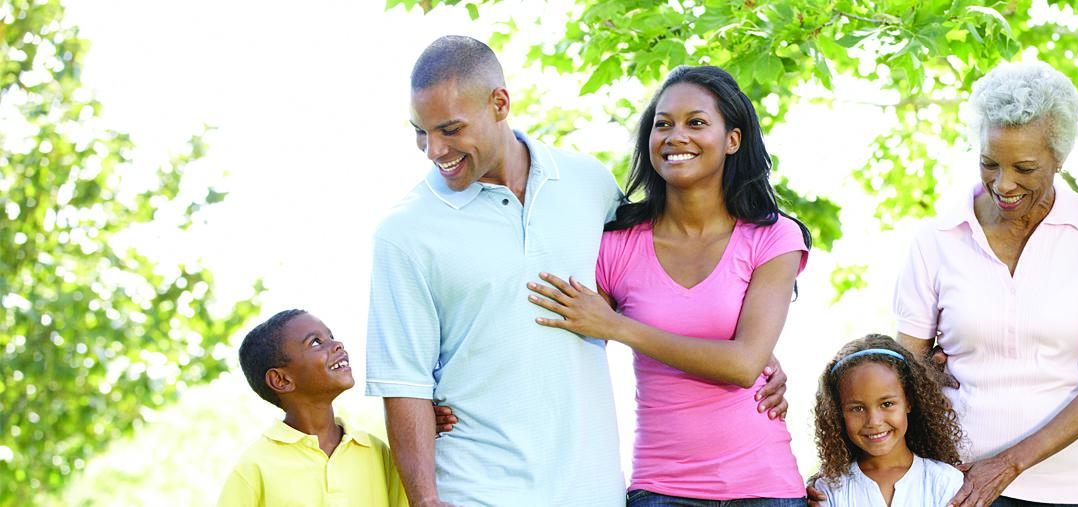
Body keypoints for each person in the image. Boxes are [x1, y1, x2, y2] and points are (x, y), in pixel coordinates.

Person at [368, 36, 788, 506]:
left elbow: (654, 281)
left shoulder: (587, 184)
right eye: (421, 131)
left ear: (500, 103)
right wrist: (424, 500)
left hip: (590, 489)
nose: (433, 150)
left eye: (449, 129)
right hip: (475, 488)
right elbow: (402, 382)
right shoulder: (406, 231)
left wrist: (754, 352)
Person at [527, 65, 810, 506]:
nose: (676, 136)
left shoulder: (772, 237)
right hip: (661, 489)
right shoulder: (617, 244)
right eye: (663, 124)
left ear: (733, 139)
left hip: (764, 488)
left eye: (696, 122)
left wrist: (619, 327)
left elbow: (742, 365)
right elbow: (555, 341)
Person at [891, 60, 1078, 507]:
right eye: (989, 164)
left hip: (1077, 489)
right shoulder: (935, 241)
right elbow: (902, 376)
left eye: (1025, 168)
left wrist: (1007, 465)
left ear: (1059, 158)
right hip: (959, 486)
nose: (1004, 184)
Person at [219, 310, 405, 507]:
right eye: (316, 342)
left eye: (331, 337)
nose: (337, 345)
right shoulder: (255, 465)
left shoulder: (376, 451)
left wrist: (429, 426)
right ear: (281, 380)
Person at [808, 335, 968, 507]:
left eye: (887, 404)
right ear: (838, 413)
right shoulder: (829, 490)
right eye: (857, 408)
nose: (874, 421)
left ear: (909, 401)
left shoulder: (945, 483)